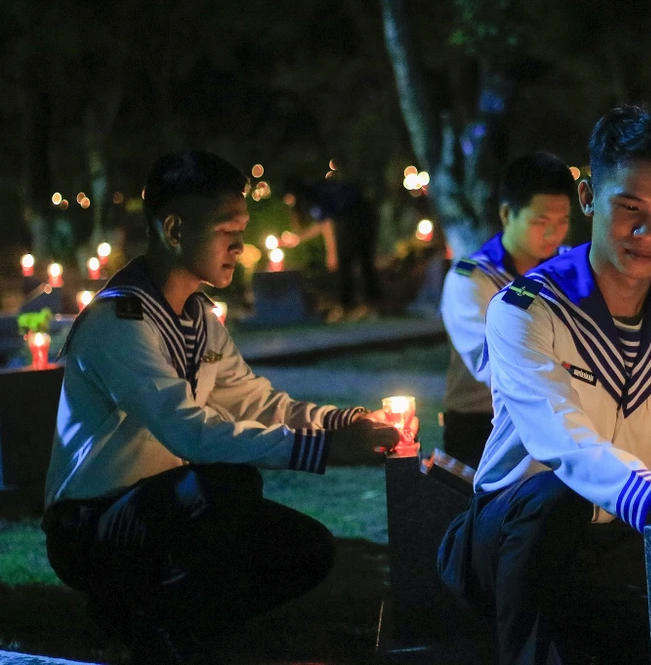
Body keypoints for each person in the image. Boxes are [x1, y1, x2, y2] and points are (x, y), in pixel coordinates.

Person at [437, 106, 651, 664]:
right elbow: (560, 437)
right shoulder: (525, 309)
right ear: (588, 197)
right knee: (555, 496)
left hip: (617, 534)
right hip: (508, 538)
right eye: (629, 208)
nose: (649, 232)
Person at [43, 151, 412, 665]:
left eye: (240, 230)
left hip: (163, 505)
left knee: (306, 549)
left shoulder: (197, 318)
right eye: (225, 231)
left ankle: (166, 622)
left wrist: (341, 421)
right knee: (226, 484)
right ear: (174, 229)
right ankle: (145, 620)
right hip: (93, 523)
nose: (239, 245)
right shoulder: (118, 323)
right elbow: (189, 433)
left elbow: (255, 402)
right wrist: (323, 449)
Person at [440, 152, 575, 467]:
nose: (553, 234)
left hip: (564, 417)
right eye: (540, 222)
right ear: (506, 214)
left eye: (563, 221)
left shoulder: (569, 268)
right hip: (483, 424)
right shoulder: (472, 279)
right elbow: (491, 365)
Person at [288, 178, 381, 322]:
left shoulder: (314, 198)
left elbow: (327, 225)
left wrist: (331, 254)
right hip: (363, 213)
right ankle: (363, 306)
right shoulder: (317, 190)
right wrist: (298, 238)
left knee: (350, 262)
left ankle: (351, 307)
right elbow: (323, 224)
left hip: (357, 216)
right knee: (360, 261)